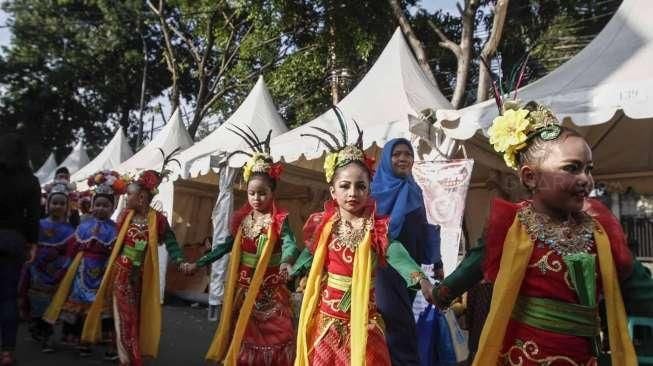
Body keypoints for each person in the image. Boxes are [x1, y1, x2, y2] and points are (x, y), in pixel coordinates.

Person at [432, 101, 652, 365]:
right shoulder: (511, 226)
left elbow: (638, 288)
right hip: (524, 357)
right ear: (530, 177)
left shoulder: (600, 229)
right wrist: (441, 293)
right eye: (572, 168)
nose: (585, 179)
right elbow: (474, 265)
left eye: (589, 169)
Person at [292, 109, 434, 366]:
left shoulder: (375, 227)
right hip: (328, 321)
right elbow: (310, 253)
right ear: (333, 191)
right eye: (345, 186)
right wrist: (290, 269)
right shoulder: (325, 225)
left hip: (364, 322)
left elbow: (396, 252)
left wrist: (421, 279)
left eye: (361, 186)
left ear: (370, 190)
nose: (352, 193)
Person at [184, 127, 299, 365]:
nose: (257, 198)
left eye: (262, 193)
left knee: (278, 335)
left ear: (272, 193)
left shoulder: (279, 219)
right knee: (242, 337)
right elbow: (224, 247)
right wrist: (199, 262)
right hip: (243, 290)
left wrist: (287, 260)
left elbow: (289, 242)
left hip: (270, 291)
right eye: (252, 193)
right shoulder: (243, 221)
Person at [81, 158, 186, 366]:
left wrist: (180, 259)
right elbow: (114, 243)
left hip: (142, 277)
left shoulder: (158, 220)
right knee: (125, 315)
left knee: (135, 316)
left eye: (129, 194)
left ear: (141, 198)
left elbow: (171, 241)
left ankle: (125, 352)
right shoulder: (124, 217)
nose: (126, 197)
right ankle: (127, 358)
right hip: (121, 272)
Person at [371, 138, 442, 366]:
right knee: (395, 320)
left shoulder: (414, 189)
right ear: (386, 158)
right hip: (384, 266)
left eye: (407, 154)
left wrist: (437, 261)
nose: (403, 159)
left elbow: (423, 227)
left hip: (410, 267)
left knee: (403, 320)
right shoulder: (373, 190)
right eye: (396, 154)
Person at [43, 170, 128, 359]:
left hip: (103, 273)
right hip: (81, 273)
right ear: (91, 206)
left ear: (113, 208)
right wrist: (65, 266)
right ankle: (80, 342)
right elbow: (73, 249)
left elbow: (117, 251)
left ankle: (95, 342)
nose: (100, 208)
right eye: (97, 204)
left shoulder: (116, 229)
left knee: (100, 309)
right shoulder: (83, 226)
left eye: (106, 205)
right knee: (79, 308)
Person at [21, 179, 77, 353]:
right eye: (55, 202)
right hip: (37, 270)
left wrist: (63, 267)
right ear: (48, 204)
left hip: (57, 271)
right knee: (36, 301)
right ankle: (37, 328)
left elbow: (70, 252)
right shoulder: (39, 225)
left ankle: (47, 336)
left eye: (62, 203)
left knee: (52, 305)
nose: (57, 206)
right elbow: (31, 245)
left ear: (67, 206)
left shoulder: (70, 230)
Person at [0, 133, 41, 366]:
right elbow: (34, 216)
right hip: (14, 241)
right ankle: (7, 353)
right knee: (7, 298)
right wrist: (33, 243)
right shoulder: (30, 181)